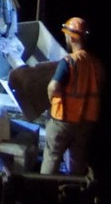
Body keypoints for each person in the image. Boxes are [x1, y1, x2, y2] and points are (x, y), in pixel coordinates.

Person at [40, 16, 105, 176]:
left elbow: (53, 87)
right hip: (86, 123)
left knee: (52, 158)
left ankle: (42, 194)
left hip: (63, 121)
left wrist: (52, 101)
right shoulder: (97, 65)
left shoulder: (69, 62)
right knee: (77, 162)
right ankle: (72, 195)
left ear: (71, 37)